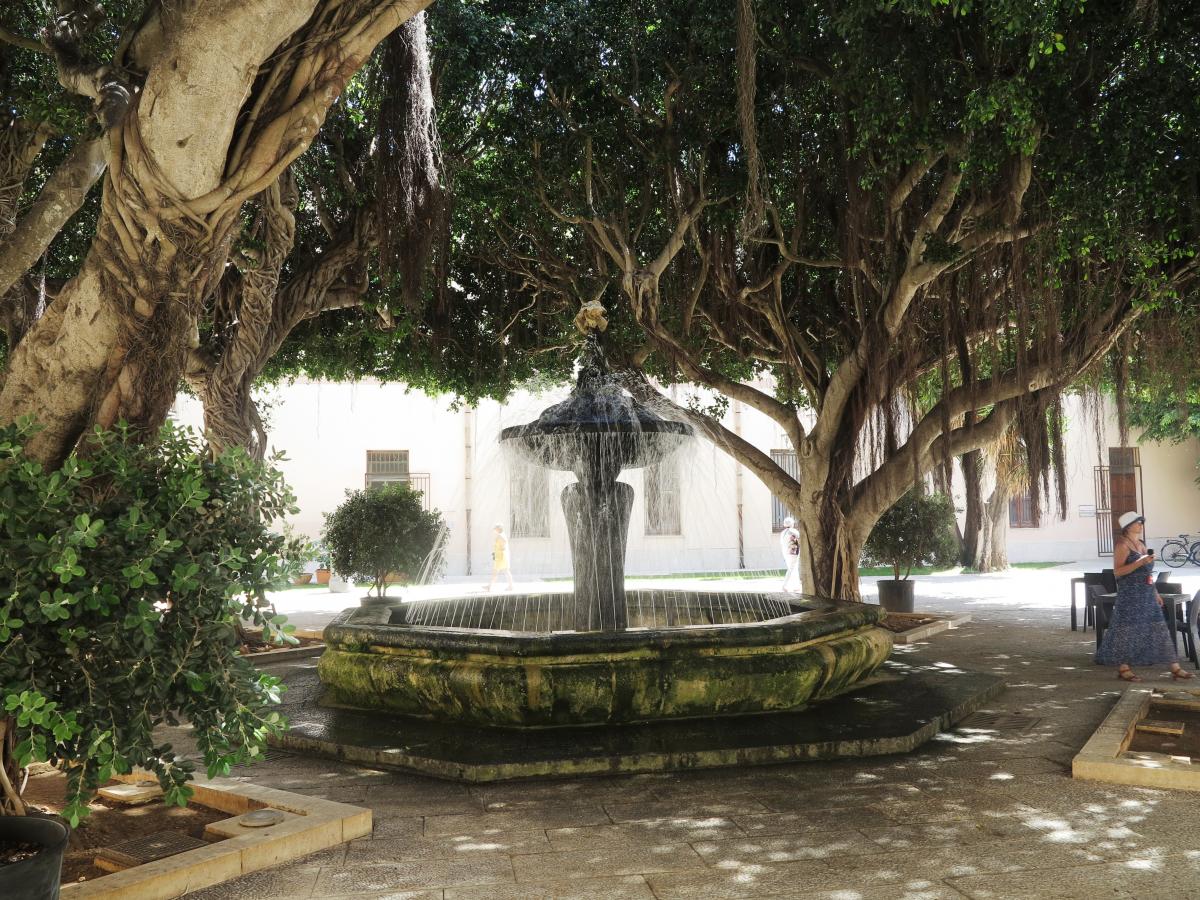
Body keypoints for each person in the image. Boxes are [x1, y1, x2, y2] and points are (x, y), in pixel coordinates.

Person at [1096, 510, 1194, 682]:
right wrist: (1140, 561)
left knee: (1159, 628)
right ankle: (1124, 668)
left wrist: (1155, 592)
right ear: (1128, 527)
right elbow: (1118, 572)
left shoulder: (1141, 544)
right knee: (1128, 630)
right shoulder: (1122, 545)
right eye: (1138, 522)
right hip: (1130, 595)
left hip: (1147, 594)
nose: (1141, 525)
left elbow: (1147, 573)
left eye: (1141, 522)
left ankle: (1175, 668)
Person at [486, 523, 514, 592]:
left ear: (499, 529)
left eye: (496, 528)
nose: (495, 530)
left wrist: (502, 548)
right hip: (501, 556)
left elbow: (504, 542)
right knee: (504, 571)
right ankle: (490, 586)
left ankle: (490, 587)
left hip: (500, 557)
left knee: (498, 572)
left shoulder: (500, 535)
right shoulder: (502, 534)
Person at [779, 516, 802, 593]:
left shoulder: (782, 533)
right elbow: (799, 540)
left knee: (793, 568)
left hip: (785, 553)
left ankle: (797, 586)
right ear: (792, 524)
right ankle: (784, 585)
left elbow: (782, 543)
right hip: (793, 553)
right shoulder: (794, 531)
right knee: (792, 568)